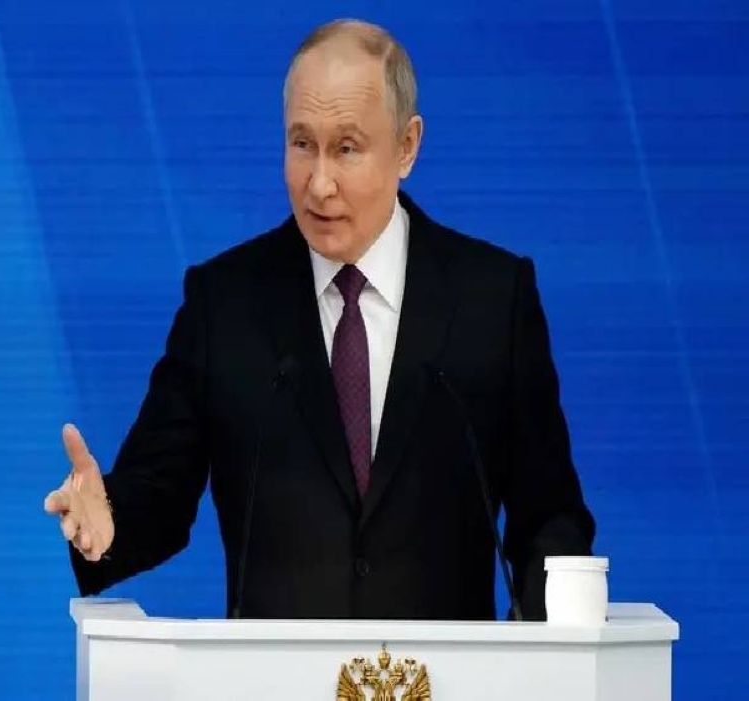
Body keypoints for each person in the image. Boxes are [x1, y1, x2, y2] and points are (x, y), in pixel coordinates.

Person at [43, 19, 595, 620]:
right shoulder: (224, 304)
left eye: (347, 148)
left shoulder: (491, 298)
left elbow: (550, 518)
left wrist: (544, 647)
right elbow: (160, 493)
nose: (319, 183)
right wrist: (107, 522)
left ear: (407, 146)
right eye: (302, 144)